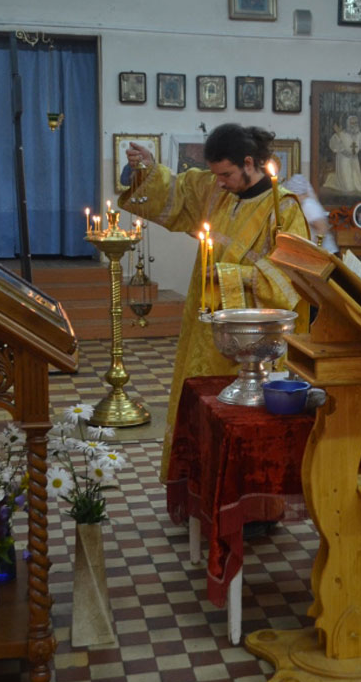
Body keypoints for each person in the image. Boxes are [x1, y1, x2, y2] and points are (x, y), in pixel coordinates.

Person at [119, 124, 310, 481]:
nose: (220, 182)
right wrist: (147, 169)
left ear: (249, 163)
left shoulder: (283, 209)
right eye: (216, 175)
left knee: (243, 419)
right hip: (206, 323)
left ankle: (243, 490)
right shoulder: (215, 189)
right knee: (201, 402)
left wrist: (233, 275)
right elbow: (175, 191)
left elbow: (293, 279)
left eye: (226, 174)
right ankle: (199, 483)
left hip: (254, 338)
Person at [324, 114, 361, 195]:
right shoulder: (342, 133)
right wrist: (338, 134)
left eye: (356, 123)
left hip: (354, 161)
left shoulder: (359, 134)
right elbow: (333, 146)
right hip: (343, 161)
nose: (354, 125)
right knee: (348, 188)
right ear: (348, 123)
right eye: (352, 123)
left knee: (357, 184)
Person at [285, 174, 337, 253]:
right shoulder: (303, 205)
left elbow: (322, 228)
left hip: (326, 252)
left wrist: (314, 250)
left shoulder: (308, 205)